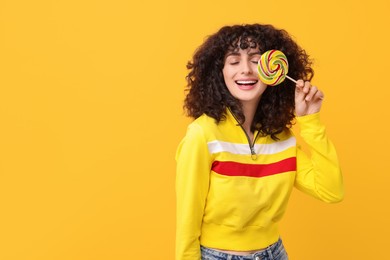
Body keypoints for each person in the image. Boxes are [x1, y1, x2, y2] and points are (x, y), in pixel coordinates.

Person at [175, 23, 344, 260]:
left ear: (273, 72)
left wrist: (310, 121)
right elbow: (187, 218)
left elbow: (330, 190)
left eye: (255, 60)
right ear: (219, 72)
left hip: (274, 253)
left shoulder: (282, 138)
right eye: (234, 62)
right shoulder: (202, 135)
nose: (246, 70)